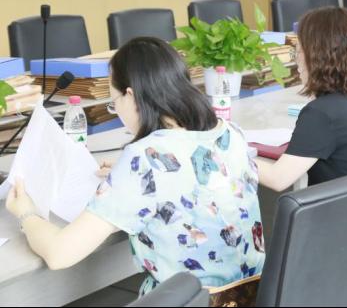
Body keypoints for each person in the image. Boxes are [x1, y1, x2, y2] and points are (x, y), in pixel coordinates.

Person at [5, 37, 265, 302]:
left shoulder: (144, 159)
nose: (116, 111)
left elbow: (59, 253)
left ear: (131, 96)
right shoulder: (231, 133)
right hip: (251, 298)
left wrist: (26, 212)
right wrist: (129, 174)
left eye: (113, 102)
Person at [256, 7, 347, 191]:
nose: (297, 61)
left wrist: (232, 156)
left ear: (318, 56)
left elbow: (278, 179)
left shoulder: (321, 113)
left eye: (299, 51)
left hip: (344, 209)